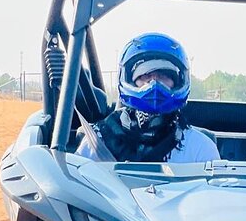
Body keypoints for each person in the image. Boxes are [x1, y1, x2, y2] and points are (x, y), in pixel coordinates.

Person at [75, 32, 219, 163]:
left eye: (163, 75)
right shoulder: (98, 141)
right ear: (129, 80)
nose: (154, 85)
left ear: (178, 81)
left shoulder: (200, 147)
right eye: (145, 76)